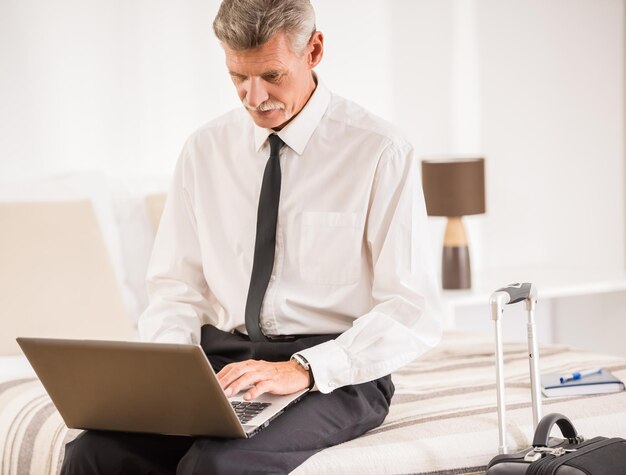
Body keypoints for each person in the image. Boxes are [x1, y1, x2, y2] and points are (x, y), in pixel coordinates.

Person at [61, 0, 442, 473]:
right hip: (224, 361)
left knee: (218, 464)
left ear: (314, 50)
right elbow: (176, 288)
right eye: (238, 77)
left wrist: (301, 370)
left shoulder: (379, 151)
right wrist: (174, 374)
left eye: (272, 76)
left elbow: (413, 309)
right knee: (93, 452)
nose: (253, 96)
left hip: (333, 373)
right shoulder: (205, 150)